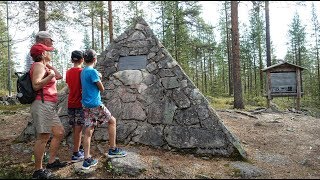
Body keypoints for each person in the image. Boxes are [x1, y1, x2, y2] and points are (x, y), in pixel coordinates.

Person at [80, 49, 127, 170]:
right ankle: (112, 149)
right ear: (95, 59)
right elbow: (101, 89)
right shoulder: (93, 71)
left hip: (86, 105)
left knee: (88, 131)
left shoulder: (83, 71)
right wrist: (99, 77)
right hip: (96, 104)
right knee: (112, 121)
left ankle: (87, 159)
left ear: (84, 59)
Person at [29, 43, 67, 179]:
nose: (50, 53)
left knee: (59, 132)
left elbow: (59, 76)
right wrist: (49, 76)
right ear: (43, 54)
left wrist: (50, 69)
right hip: (42, 104)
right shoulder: (38, 66)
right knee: (43, 137)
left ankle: (51, 162)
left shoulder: (44, 66)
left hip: (48, 105)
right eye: (48, 51)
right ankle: (38, 171)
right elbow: (36, 85)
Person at [65, 50, 85, 162]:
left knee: (75, 128)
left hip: (70, 103)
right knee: (79, 128)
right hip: (80, 103)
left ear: (72, 60)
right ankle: (76, 153)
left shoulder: (68, 72)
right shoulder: (82, 72)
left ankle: (79, 147)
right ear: (82, 59)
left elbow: (69, 85)